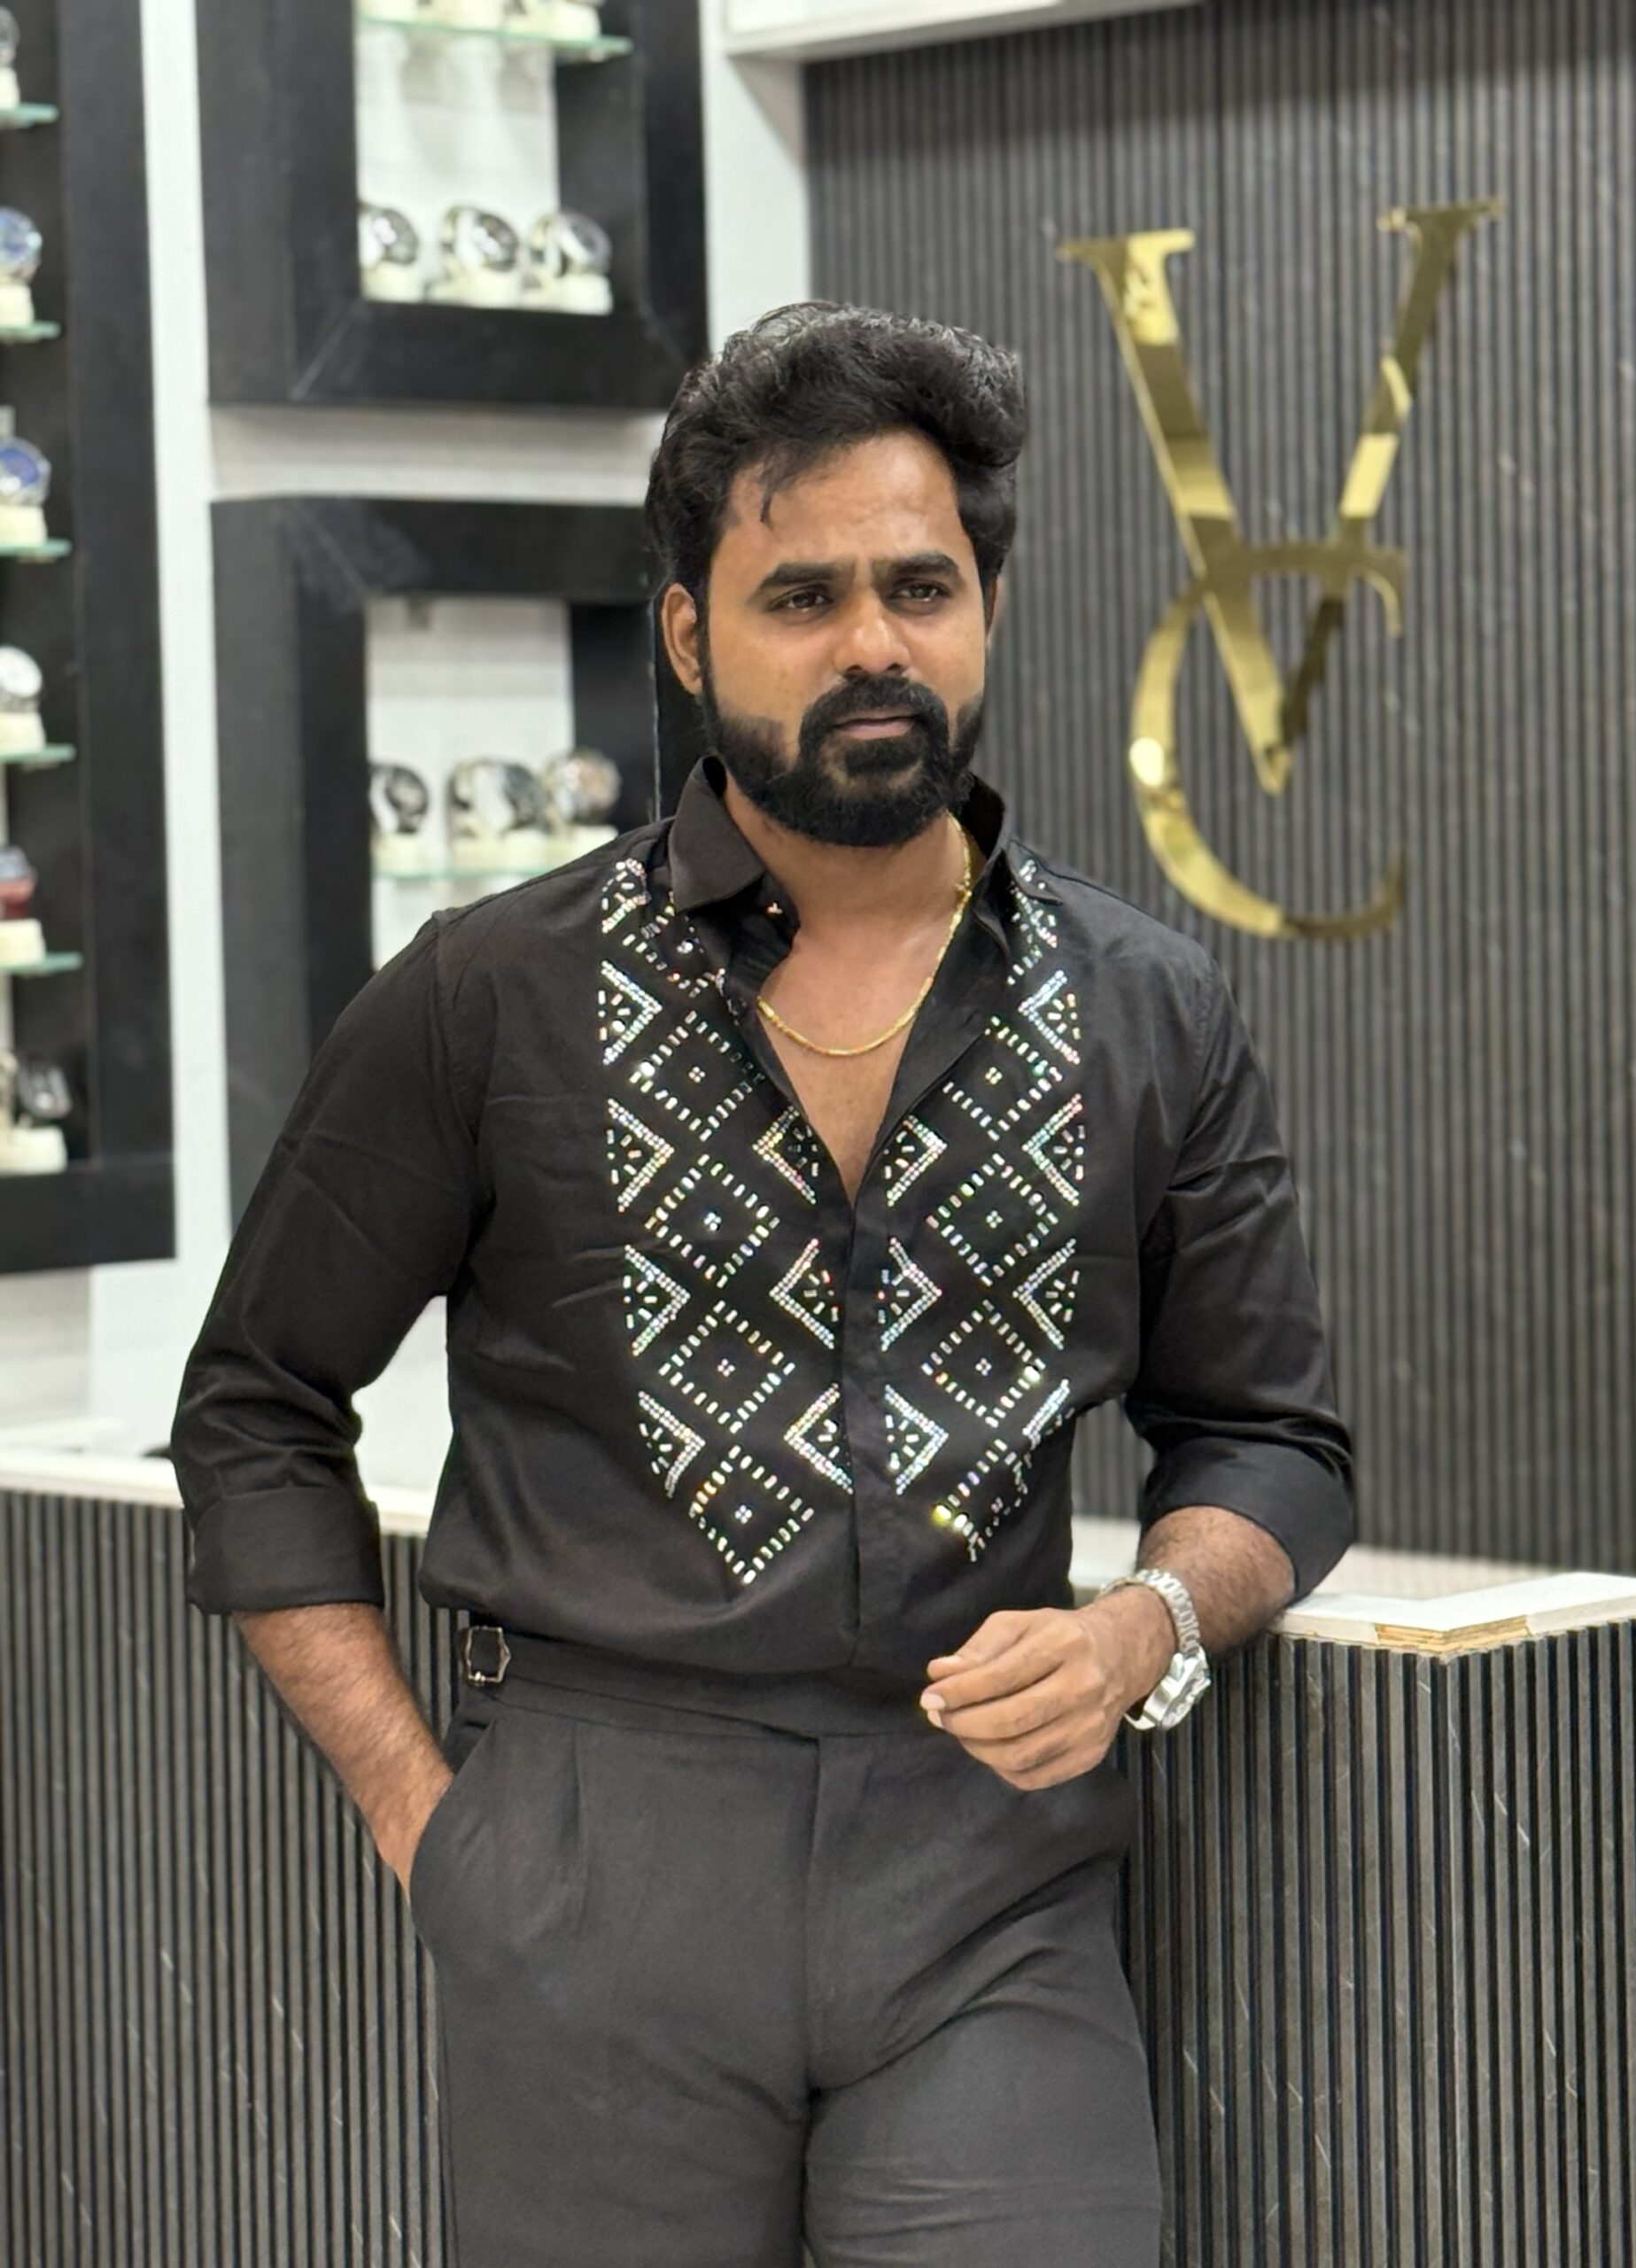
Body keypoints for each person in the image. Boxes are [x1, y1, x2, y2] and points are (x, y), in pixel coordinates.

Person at [171, 300, 1353, 2268]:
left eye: (920, 585)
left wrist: (1151, 1619)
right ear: (689, 633)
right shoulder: (492, 994)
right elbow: (255, 1406)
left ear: (986, 609)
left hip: (992, 1875)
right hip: (594, 1867)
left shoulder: (1148, 1006)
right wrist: (425, 1820)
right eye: (801, 595)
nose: (873, 641)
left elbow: (1272, 1439)